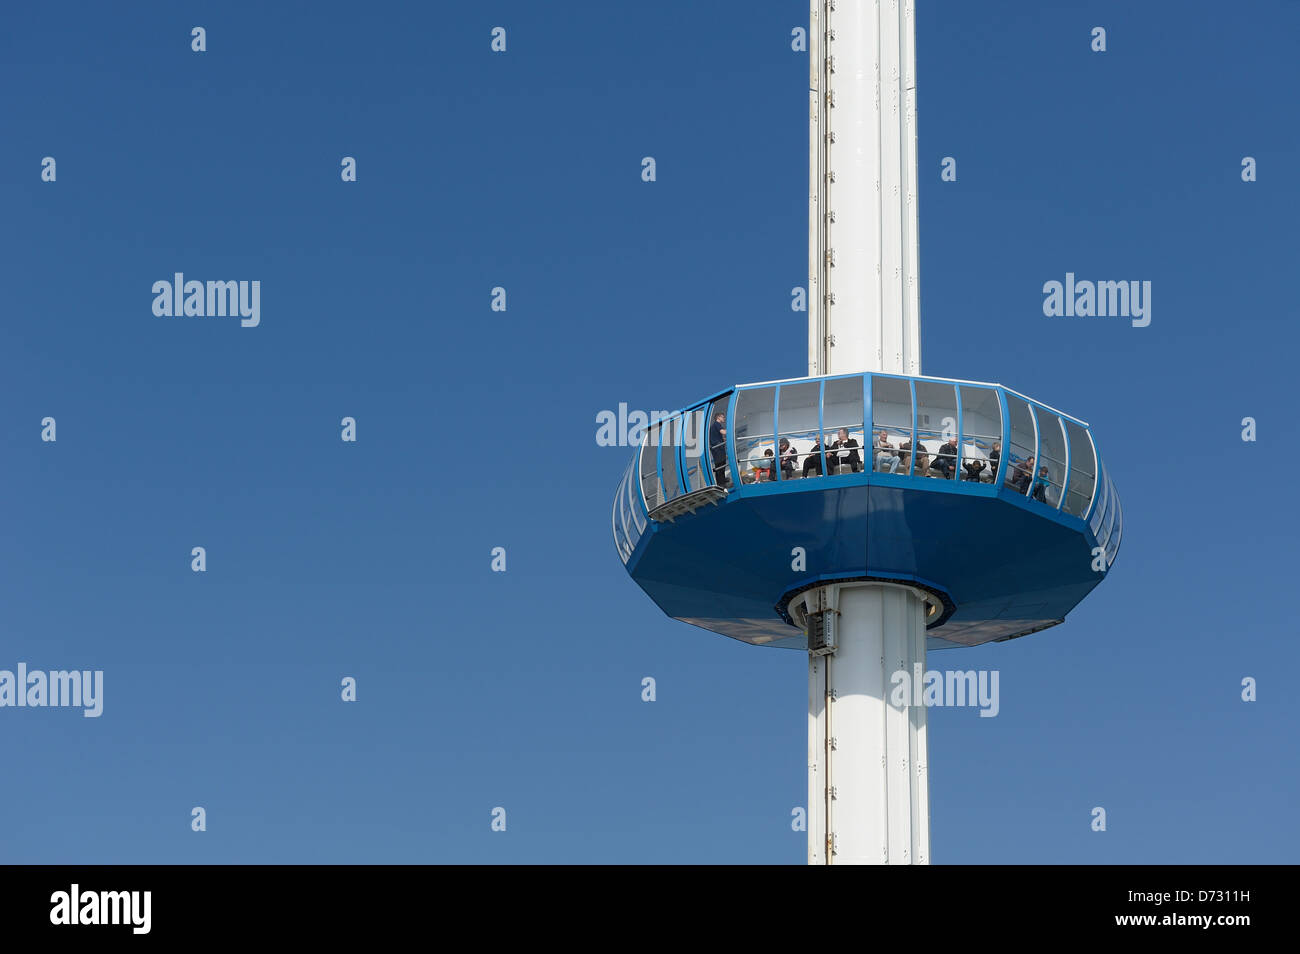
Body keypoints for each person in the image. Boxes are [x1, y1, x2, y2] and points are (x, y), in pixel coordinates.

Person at [708, 410, 728, 487]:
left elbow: (719, 436)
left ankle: (722, 480)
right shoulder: (717, 424)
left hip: (718, 447)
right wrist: (729, 430)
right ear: (718, 417)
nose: (724, 419)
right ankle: (720, 482)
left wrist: (723, 440)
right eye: (723, 417)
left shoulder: (715, 426)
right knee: (720, 464)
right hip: (717, 448)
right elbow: (723, 432)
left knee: (722, 463)